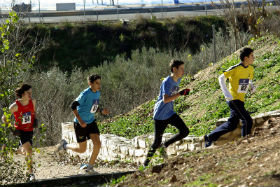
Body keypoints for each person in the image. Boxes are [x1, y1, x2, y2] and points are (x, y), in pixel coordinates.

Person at [204, 47, 255, 147]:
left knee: (232, 124)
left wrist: (252, 86)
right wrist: (226, 93)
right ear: (245, 58)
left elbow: (249, 79)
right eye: (252, 56)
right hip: (233, 99)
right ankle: (245, 143)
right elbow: (221, 78)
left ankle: (210, 137)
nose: (254, 58)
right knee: (247, 120)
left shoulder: (250, 69)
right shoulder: (235, 68)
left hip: (240, 100)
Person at [57, 74, 109, 173]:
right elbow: (73, 106)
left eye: (99, 83)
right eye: (97, 83)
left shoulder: (97, 93)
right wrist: (80, 121)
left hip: (91, 122)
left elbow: (93, 107)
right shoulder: (85, 94)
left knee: (97, 144)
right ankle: (64, 145)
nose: (99, 85)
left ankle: (90, 167)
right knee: (82, 149)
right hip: (80, 124)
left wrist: (101, 111)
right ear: (90, 83)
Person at [143, 59, 191, 167]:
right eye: (181, 69)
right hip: (160, 115)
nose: (183, 71)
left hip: (170, 112)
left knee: (185, 131)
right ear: (174, 69)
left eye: (184, 68)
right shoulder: (167, 81)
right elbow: (165, 99)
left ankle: (165, 145)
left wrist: (181, 93)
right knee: (156, 143)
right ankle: (145, 165)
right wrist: (180, 93)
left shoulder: (177, 80)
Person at [1, 84, 37, 182]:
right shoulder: (15, 106)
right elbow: (4, 118)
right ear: (22, 93)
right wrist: (12, 128)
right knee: (29, 150)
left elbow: (33, 112)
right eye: (28, 92)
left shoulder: (32, 101)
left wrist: (35, 120)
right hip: (21, 131)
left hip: (30, 130)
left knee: (24, 151)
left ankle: (7, 150)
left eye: (31, 92)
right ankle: (31, 174)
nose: (30, 94)